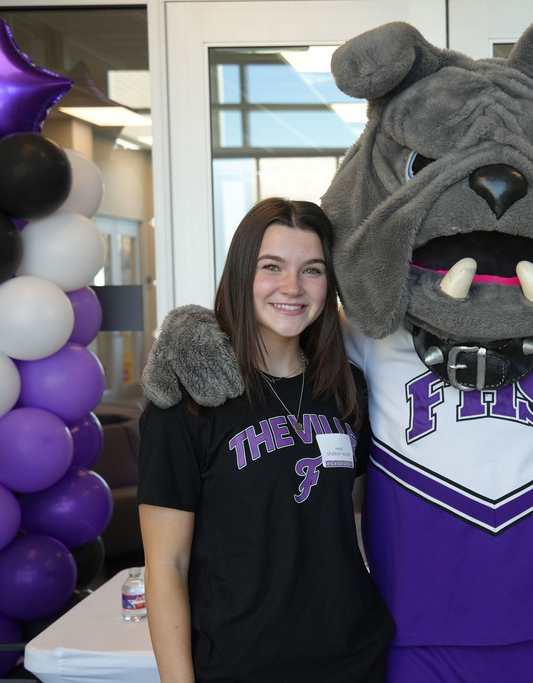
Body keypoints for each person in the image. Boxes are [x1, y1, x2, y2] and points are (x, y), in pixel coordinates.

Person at [136, 198, 393, 682]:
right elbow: (166, 564)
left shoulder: (346, 387)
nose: (292, 287)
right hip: (240, 663)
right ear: (240, 273)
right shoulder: (190, 396)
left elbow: (348, 514)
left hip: (353, 656)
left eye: (312, 270)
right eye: (271, 267)